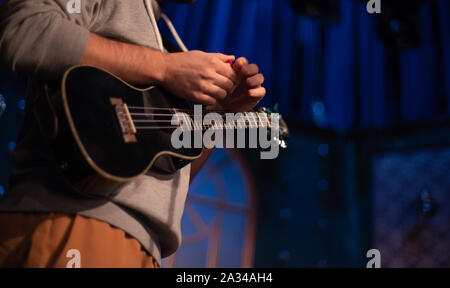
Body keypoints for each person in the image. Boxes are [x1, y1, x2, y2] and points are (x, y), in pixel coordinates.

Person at [0, 0, 265, 268]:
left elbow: (164, 173)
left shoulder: (162, 37)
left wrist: (218, 114)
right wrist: (165, 67)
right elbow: (25, 29)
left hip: (144, 247)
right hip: (74, 220)